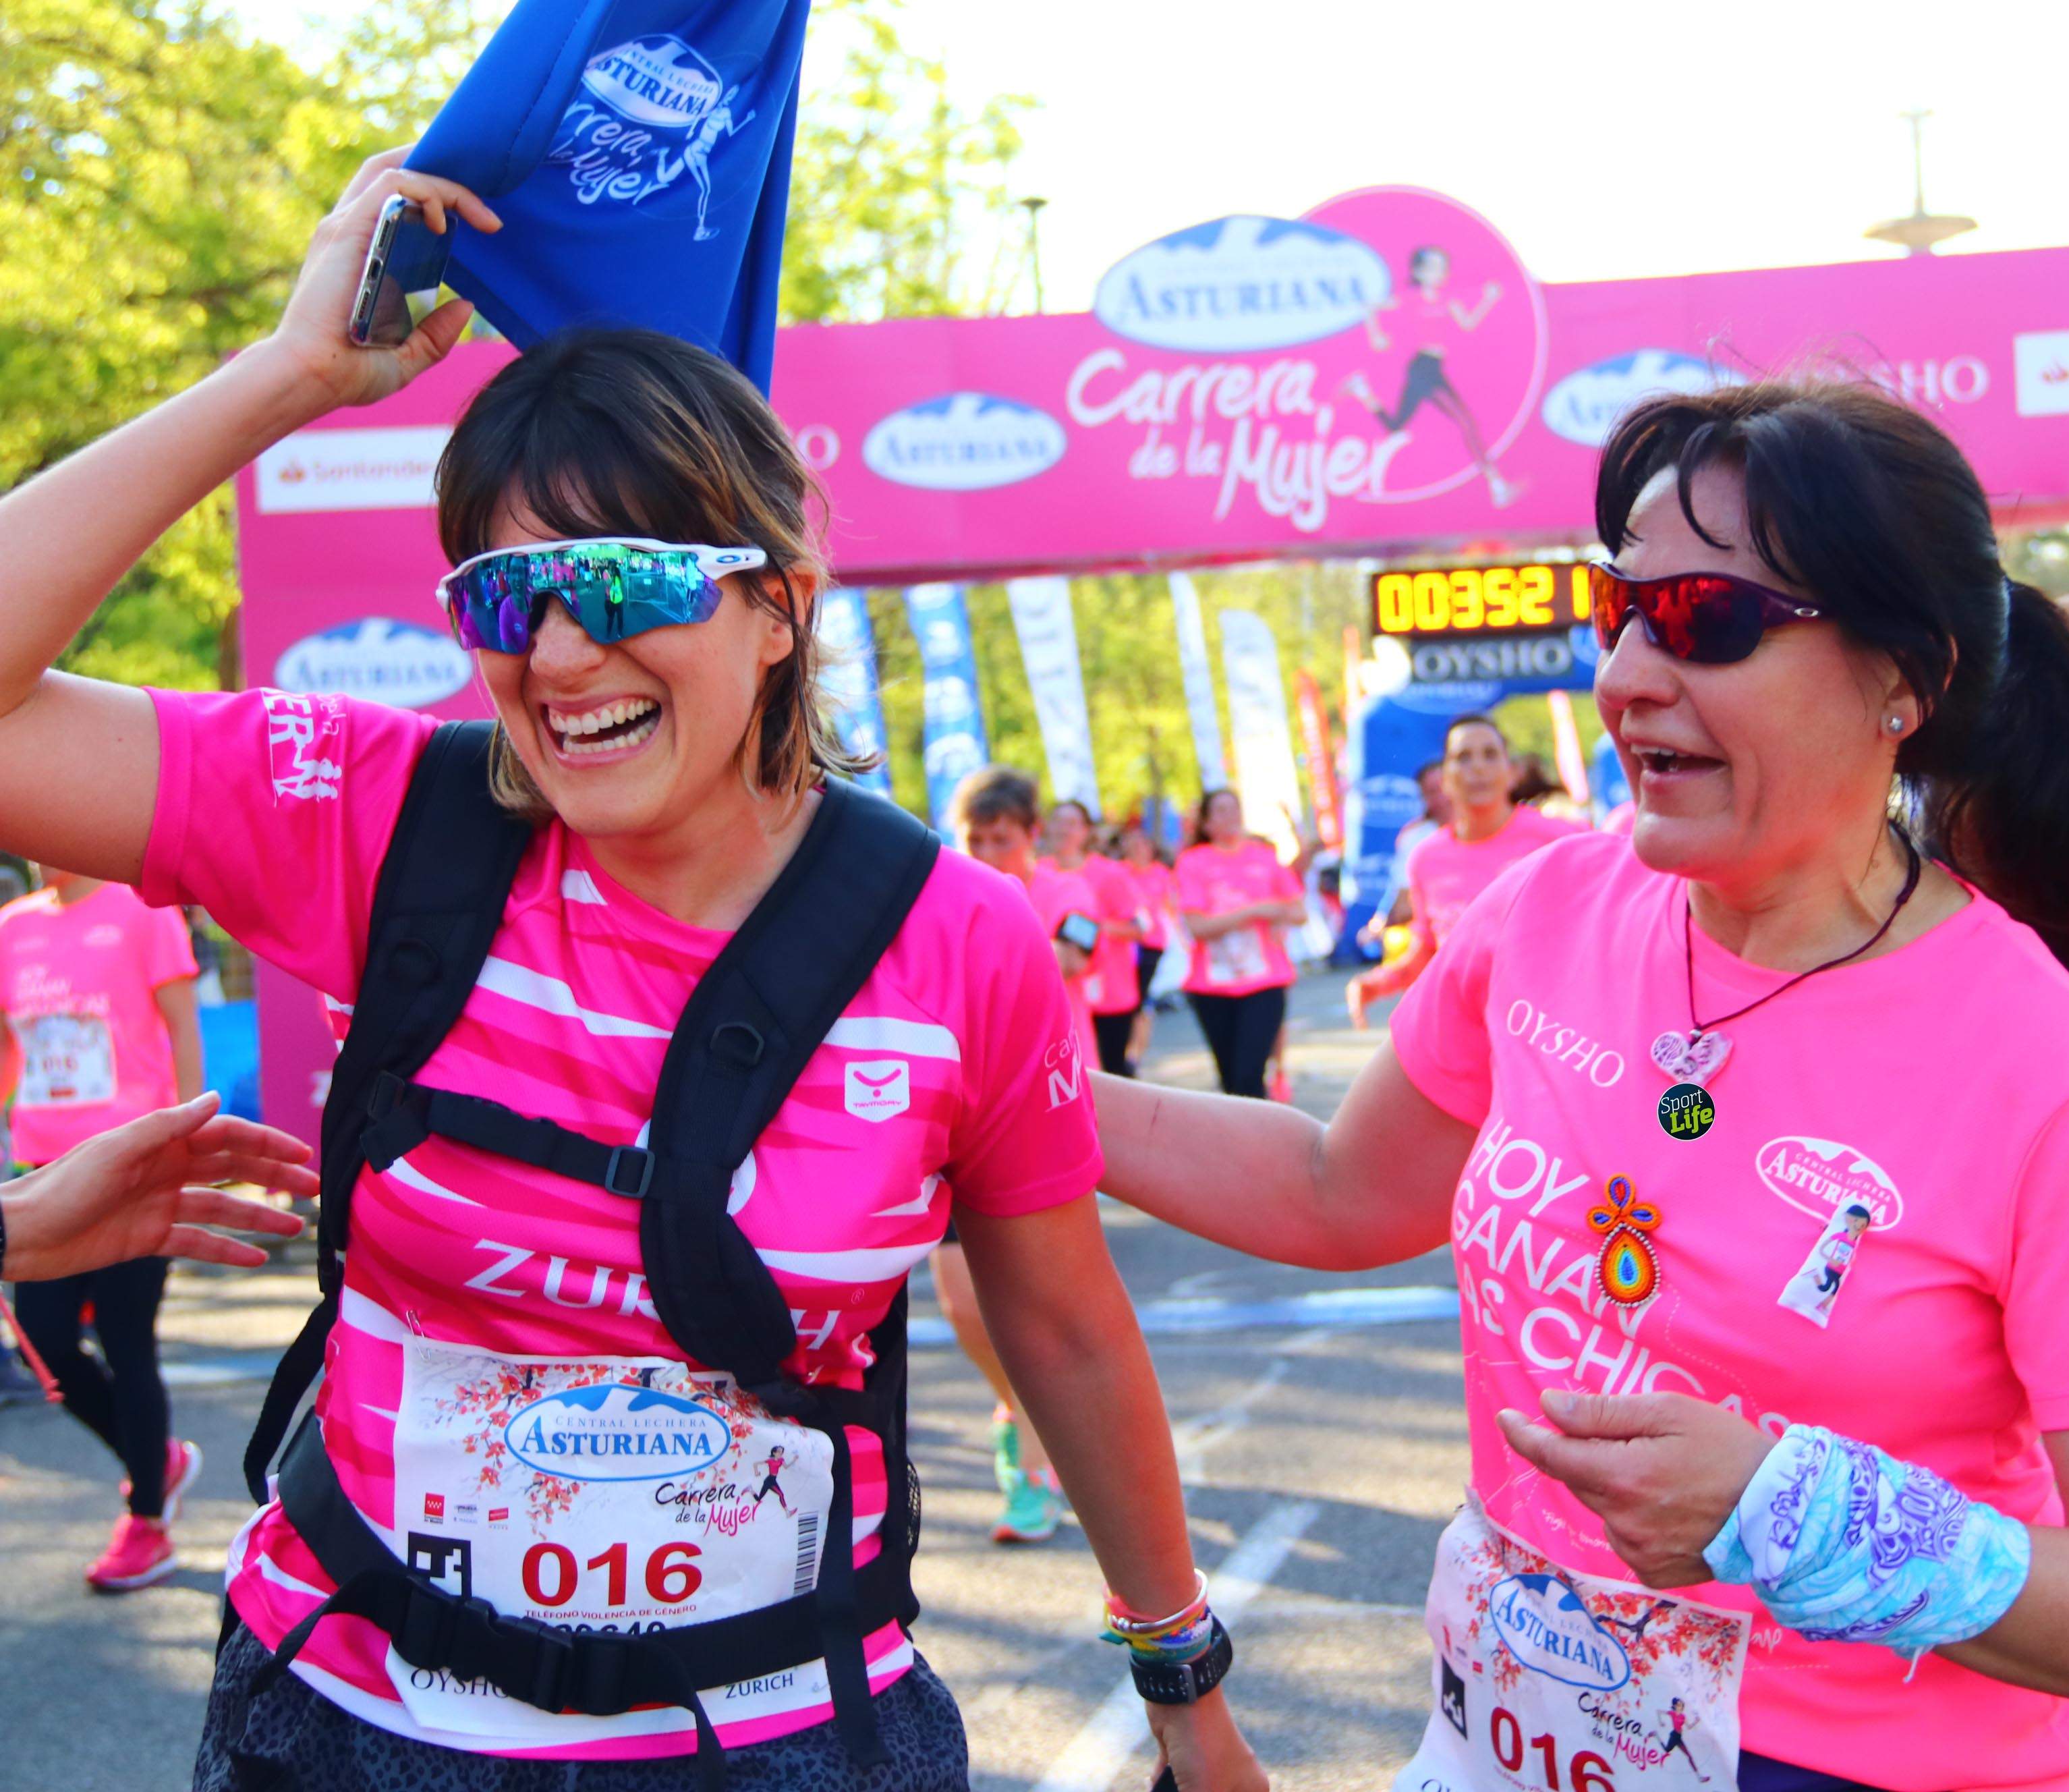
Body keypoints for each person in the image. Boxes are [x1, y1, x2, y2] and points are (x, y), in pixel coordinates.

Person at [0, 151, 1259, 1792]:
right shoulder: (380, 818)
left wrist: (1187, 1685)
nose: (561, 651)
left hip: (785, 1740)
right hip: (350, 1727)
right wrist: (293, 376)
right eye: (507, 593)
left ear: (779, 609)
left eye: (630, 583)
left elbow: (1071, 1330)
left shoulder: (955, 937)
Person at [1094, 379, 2069, 1792]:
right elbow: (1343, 1188)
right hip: (1506, 1729)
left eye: (1708, 620)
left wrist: (1787, 1511)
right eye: (1622, 611)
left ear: (1909, 678)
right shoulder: (1550, 910)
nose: (1631, 675)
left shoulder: (2058, 1083)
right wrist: (1020, 1086)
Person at [1, 866, 207, 1589]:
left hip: (131, 1168)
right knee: (46, 1348)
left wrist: (189, 1142)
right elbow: (7, 1050)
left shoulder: (141, 912)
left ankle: (148, 1521)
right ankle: (157, 1460)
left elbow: (183, 1027)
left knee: (127, 1344)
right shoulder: (12, 927)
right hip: (42, 1170)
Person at [942, 766, 1098, 1545]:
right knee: (961, 1302)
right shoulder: (939, 896)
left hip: (1041, 1107)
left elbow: (1067, 961)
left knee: (1038, 1304)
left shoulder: (1073, 896)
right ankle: (1019, 1405)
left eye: (1004, 839)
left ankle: (1034, 1465)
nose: (990, 852)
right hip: (948, 1108)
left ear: (1033, 837)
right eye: (977, 839)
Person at [1347, 714, 1581, 1027]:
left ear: (1511, 773)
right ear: (1444, 780)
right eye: (1463, 757)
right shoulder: (1425, 858)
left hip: (1551, 1027)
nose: (1478, 768)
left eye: (1490, 754)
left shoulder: (1561, 841)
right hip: (1468, 1026)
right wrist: (1379, 982)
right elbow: (1430, 951)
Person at [0, 1092, 310, 1285]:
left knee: (128, 1347)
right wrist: (14, 1223)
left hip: (135, 1165)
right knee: (52, 1339)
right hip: (68, 1163)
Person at [1342, 246, 1519, 507]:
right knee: (1465, 422)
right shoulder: (1409, 297)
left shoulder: (1447, 299)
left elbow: (1468, 324)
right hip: (1422, 369)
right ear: (1418, 271)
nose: (1439, 273)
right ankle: (1497, 484)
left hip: (1435, 368)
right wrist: (1376, 336)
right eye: (1433, 267)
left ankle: (1362, 392)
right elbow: (1370, 307)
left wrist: (1489, 300)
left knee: (1395, 426)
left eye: (1442, 267)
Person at [1171, 790, 1305, 1099]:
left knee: (1249, 1075)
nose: (1230, 817)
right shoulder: (1193, 862)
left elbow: (1299, 912)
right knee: (1231, 1079)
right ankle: (1240, 1143)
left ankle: (1261, 1145)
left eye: (1235, 809)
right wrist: (1256, 911)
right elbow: (1198, 927)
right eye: (1220, 811)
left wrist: (1275, 912)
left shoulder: (1264, 857)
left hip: (1265, 982)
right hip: (1212, 987)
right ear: (1205, 822)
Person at [1045, 798, 1151, 1077]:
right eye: (1058, 822)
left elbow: (1138, 927)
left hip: (1109, 994)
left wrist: (1091, 930)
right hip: (1061, 996)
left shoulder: (1109, 873)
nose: (1064, 830)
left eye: (1072, 824)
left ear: (1086, 831)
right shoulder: (1038, 872)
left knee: (1112, 1076)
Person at [1357, 756, 1446, 955]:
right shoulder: (1416, 837)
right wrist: (1379, 924)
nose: (1441, 798)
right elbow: (1402, 898)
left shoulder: (1492, 828)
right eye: (1432, 792)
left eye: (1443, 788)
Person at [1114, 818, 1178, 1066]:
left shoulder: (1160, 873)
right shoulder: (1120, 871)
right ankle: (1129, 1050)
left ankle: (1135, 1053)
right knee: (1130, 999)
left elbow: (1170, 906)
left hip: (1151, 943)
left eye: (1143, 844)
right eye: (1134, 844)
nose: (1139, 849)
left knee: (1140, 1000)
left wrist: (1182, 940)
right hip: (1127, 942)